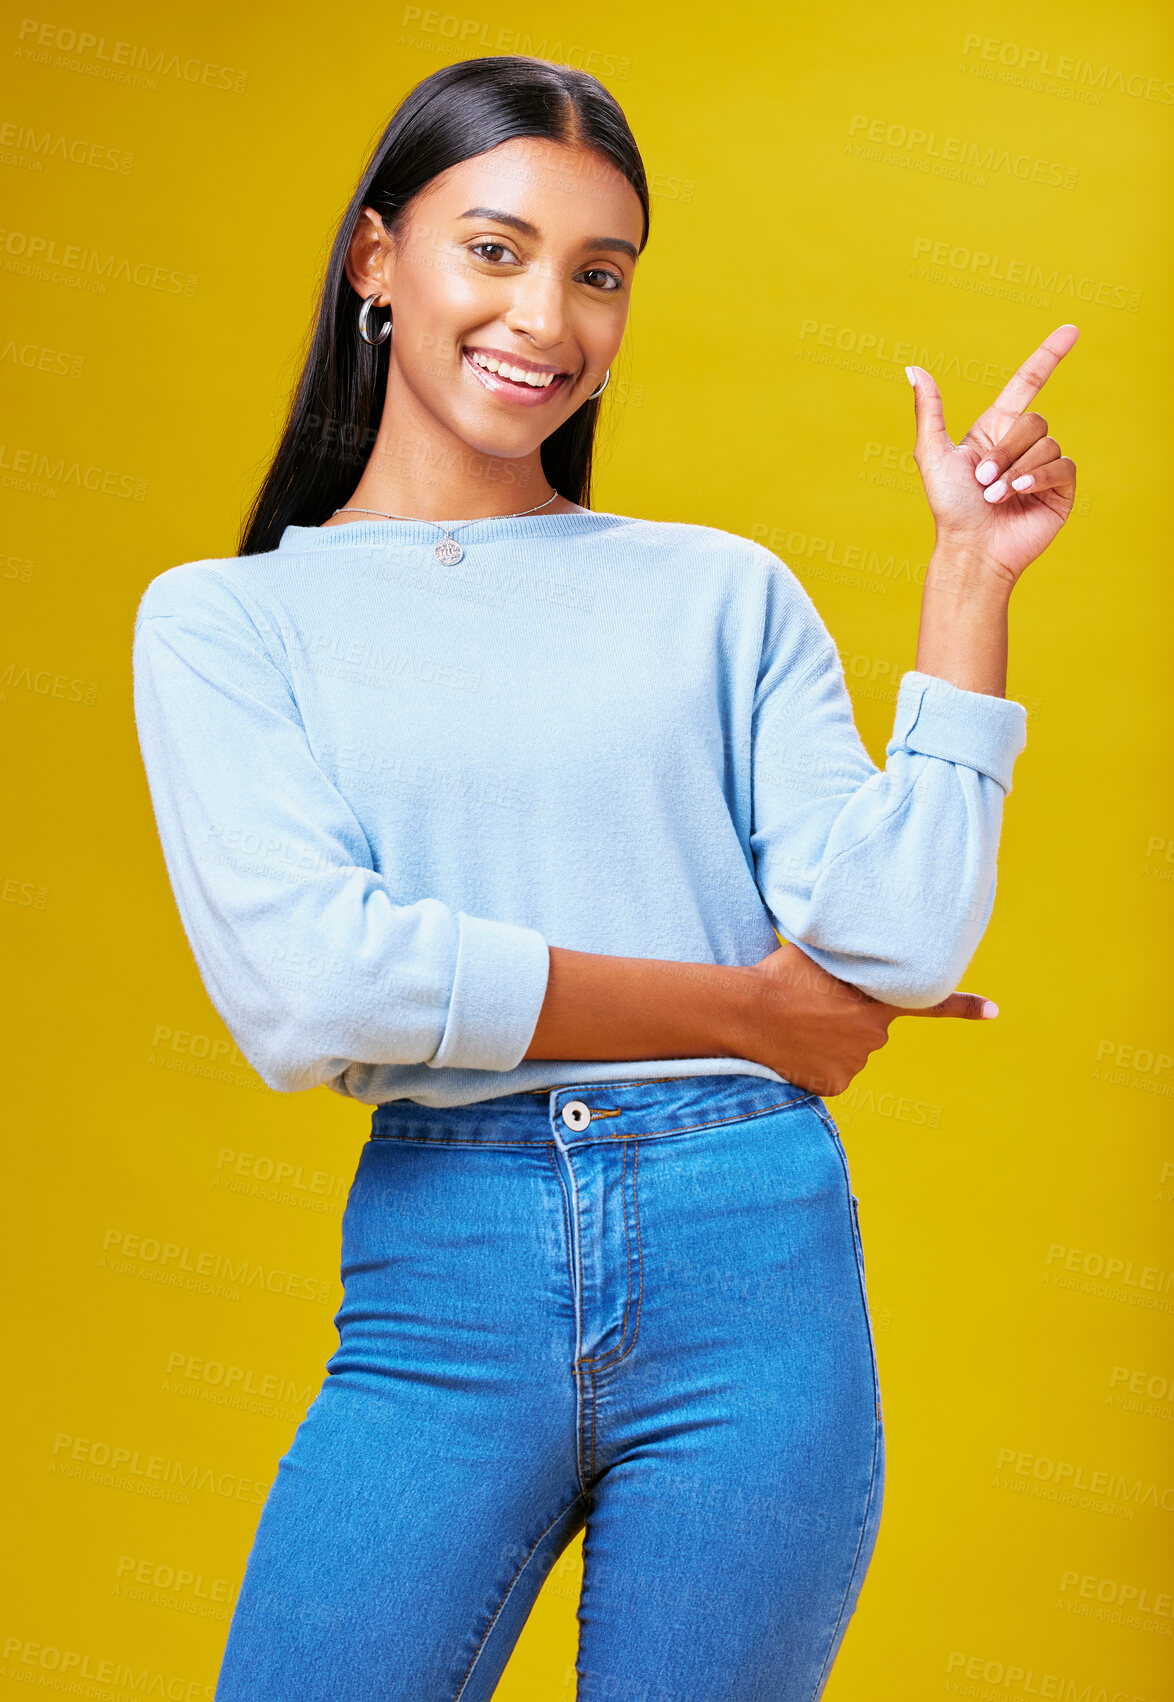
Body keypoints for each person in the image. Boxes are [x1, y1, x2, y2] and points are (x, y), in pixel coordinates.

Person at [131, 55, 1077, 1702]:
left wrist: (964, 579)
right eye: (492, 250)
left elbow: (899, 945)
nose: (545, 321)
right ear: (376, 262)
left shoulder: (714, 591)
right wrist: (752, 1008)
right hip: (447, 1269)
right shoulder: (225, 622)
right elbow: (320, 987)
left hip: (752, 1265)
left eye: (597, 273)